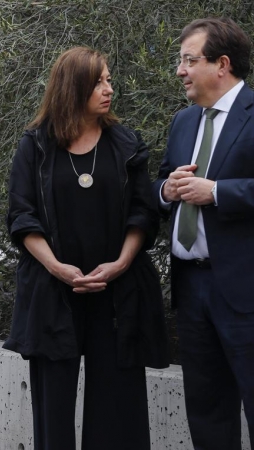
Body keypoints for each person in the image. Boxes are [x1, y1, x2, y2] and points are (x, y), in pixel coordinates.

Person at [5, 47, 168, 450]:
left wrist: (120, 263)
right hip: (53, 294)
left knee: (118, 411)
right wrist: (58, 267)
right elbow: (21, 217)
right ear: (72, 87)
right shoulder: (36, 146)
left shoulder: (126, 143)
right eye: (98, 82)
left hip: (116, 297)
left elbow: (144, 214)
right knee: (54, 411)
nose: (108, 89)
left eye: (109, 80)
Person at [155, 18, 254, 450]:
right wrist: (166, 189)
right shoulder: (183, 122)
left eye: (189, 60)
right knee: (206, 409)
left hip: (245, 291)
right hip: (191, 288)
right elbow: (158, 185)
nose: (180, 70)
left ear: (222, 64)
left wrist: (217, 192)